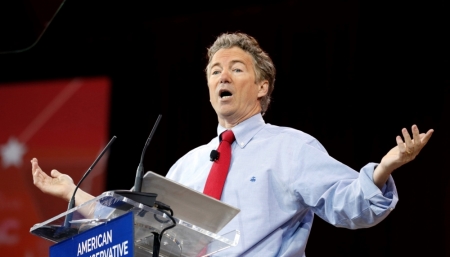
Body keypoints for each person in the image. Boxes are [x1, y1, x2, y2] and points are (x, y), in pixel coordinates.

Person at [32, 33, 434, 256]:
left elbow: (352, 206)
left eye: (236, 69)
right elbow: (131, 227)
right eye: (215, 70)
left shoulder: (290, 148)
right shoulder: (186, 166)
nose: (222, 75)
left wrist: (382, 170)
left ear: (262, 87)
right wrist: (73, 193)